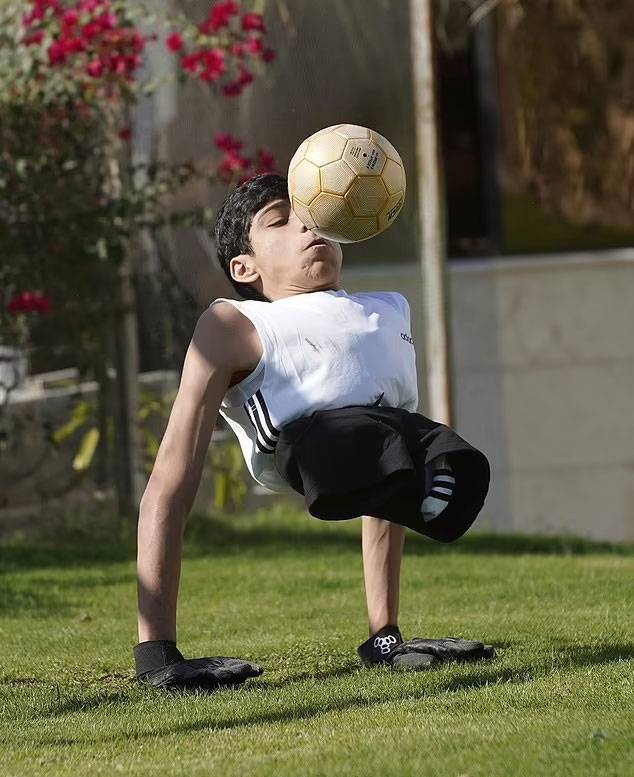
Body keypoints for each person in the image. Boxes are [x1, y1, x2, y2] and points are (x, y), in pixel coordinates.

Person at [133, 173, 494, 691]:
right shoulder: (234, 324)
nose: (308, 225)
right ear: (244, 267)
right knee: (369, 441)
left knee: (424, 450)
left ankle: (384, 637)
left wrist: (387, 635)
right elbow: (172, 476)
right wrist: (156, 656)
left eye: (315, 214)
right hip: (306, 447)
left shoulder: (386, 313)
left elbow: (387, 480)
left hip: (372, 447)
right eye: (280, 220)